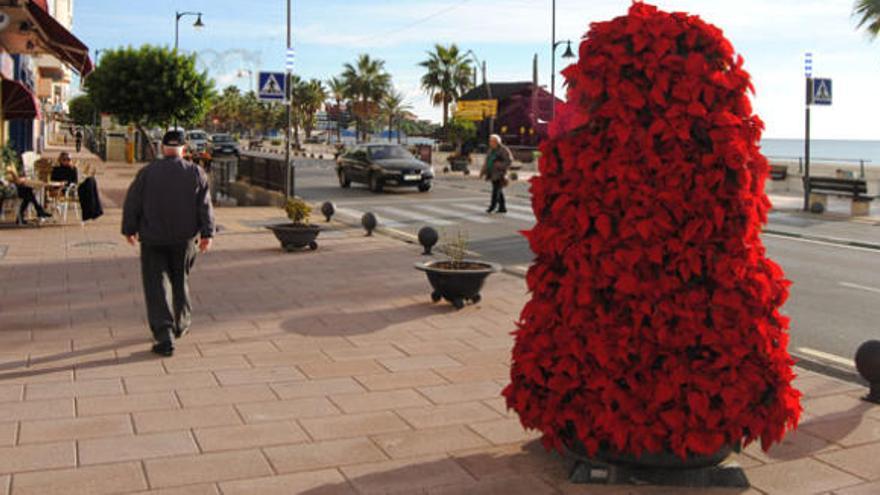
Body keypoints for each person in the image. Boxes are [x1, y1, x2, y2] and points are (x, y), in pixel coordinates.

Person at [122, 130, 215, 357]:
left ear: (163, 148)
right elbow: (205, 205)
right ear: (184, 149)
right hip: (184, 240)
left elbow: (132, 202)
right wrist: (207, 234)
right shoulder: (196, 172)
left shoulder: (147, 172)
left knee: (156, 286)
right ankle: (181, 324)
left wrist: (129, 229)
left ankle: (164, 334)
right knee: (179, 279)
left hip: (153, 239)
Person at [480, 134, 513, 214]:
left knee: (496, 191)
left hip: (500, 173)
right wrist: (482, 172)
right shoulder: (491, 150)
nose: (490, 143)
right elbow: (487, 161)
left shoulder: (503, 150)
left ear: (497, 142)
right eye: (490, 141)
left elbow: (509, 161)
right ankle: (502, 207)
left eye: (492, 141)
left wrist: (499, 164)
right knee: (498, 190)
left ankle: (492, 207)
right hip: (492, 173)